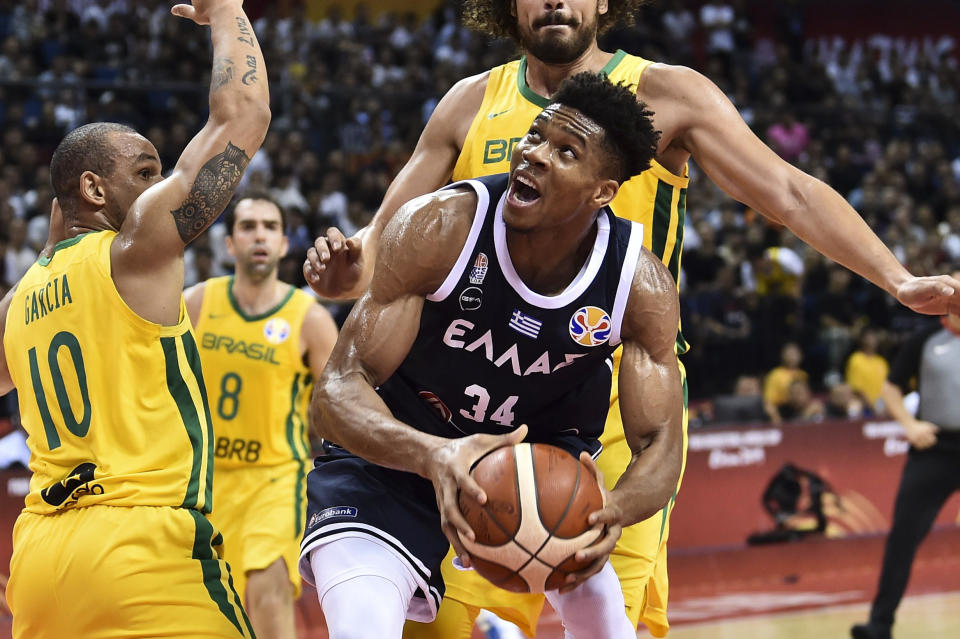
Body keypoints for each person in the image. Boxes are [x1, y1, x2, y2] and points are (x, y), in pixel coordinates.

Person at [302, 2, 960, 636]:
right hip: (484, 408)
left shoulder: (669, 93)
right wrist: (345, 270)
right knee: (440, 623)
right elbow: (384, 245)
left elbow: (789, 191)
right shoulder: (470, 103)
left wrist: (896, 277)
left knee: (612, 615)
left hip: (624, 398)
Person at [299, 73, 683, 639]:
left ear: (602, 191)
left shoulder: (638, 284)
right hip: (394, 458)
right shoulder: (442, 227)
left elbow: (661, 445)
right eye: (534, 136)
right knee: (362, 626)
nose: (534, 155)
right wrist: (434, 455)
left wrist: (614, 512)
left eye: (565, 151)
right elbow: (335, 393)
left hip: (537, 472)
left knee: (608, 628)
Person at [0, 1, 270, 636]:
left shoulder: (16, 304)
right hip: (144, 549)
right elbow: (245, 115)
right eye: (145, 172)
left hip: (39, 560)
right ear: (94, 191)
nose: (157, 184)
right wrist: (227, 9)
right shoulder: (135, 250)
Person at [184, 193, 338, 639]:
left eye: (270, 227)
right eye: (248, 226)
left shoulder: (308, 318)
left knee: (268, 590)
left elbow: (337, 405)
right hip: (203, 485)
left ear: (285, 243)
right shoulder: (195, 304)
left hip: (275, 478)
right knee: (210, 615)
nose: (259, 235)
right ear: (229, 244)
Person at [852, 292, 960, 639]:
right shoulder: (926, 339)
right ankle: (880, 624)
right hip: (935, 448)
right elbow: (891, 388)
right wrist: (910, 426)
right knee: (903, 536)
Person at [763, 342, 808, 425]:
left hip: (800, 411)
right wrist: (776, 418)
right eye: (789, 353)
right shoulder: (775, 374)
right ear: (783, 356)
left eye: (795, 353)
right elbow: (768, 402)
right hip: (783, 410)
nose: (792, 356)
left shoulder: (803, 375)